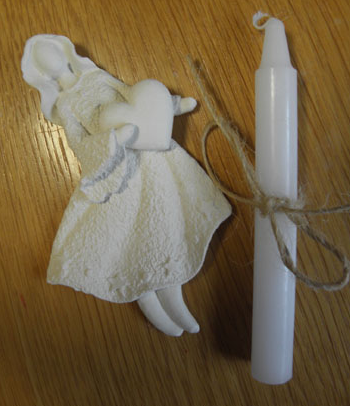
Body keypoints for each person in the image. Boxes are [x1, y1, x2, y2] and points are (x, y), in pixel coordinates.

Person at [22, 35, 231, 336]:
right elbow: (78, 143)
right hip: (116, 170)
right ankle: (148, 298)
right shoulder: (65, 104)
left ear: (64, 53)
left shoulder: (97, 77)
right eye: (45, 60)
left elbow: (134, 95)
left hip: (149, 154)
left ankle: (174, 297)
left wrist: (171, 105)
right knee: (132, 237)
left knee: (164, 223)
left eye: (52, 52)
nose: (53, 60)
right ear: (43, 72)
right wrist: (112, 141)